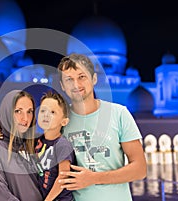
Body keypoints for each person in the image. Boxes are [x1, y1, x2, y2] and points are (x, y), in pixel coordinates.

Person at [57, 53, 147, 201]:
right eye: (69, 79)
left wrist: (94, 178)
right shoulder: (60, 121)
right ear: (62, 86)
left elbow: (140, 169)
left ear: (94, 79)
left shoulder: (119, 114)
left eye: (82, 77)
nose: (76, 84)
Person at [0, 90, 42, 201]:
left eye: (30, 111)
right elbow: (0, 195)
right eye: (18, 111)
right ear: (7, 114)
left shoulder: (37, 146)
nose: (25, 118)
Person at [35, 91, 76, 201]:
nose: (46, 115)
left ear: (64, 121)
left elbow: (63, 176)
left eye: (52, 112)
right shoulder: (38, 141)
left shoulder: (62, 145)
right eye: (43, 110)